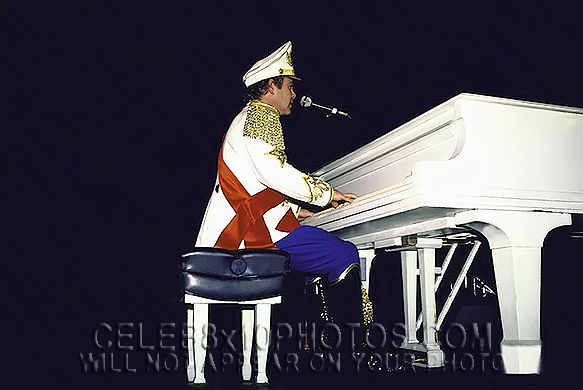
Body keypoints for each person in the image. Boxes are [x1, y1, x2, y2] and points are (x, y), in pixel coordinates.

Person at [195, 41, 373, 343]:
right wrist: (326, 194)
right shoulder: (261, 116)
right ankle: (352, 345)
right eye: (289, 86)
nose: (294, 94)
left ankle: (325, 341)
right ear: (271, 86)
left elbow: (254, 187)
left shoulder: (250, 116)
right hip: (246, 235)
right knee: (343, 253)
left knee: (330, 251)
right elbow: (274, 173)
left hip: (252, 224)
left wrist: (297, 211)